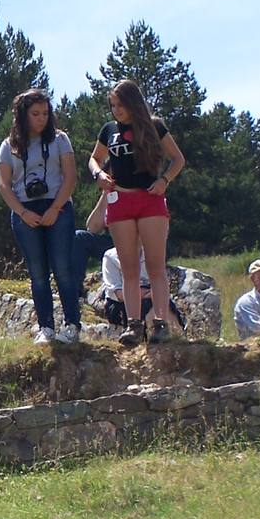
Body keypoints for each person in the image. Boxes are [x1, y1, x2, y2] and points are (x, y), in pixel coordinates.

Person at [89, 79, 186, 347]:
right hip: (120, 201)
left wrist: (165, 180)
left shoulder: (154, 127)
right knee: (129, 268)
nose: (116, 110)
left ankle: (161, 324)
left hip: (150, 199)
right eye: (112, 105)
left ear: (133, 103)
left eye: (120, 104)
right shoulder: (109, 130)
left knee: (155, 267)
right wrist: (98, 173)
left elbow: (178, 158)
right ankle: (133, 325)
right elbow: (94, 157)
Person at [0, 89, 83, 345]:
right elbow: (3, 184)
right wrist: (22, 213)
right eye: (35, 114)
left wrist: (55, 209)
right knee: (37, 273)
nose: (41, 118)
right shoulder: (8, 145)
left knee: (63, 269)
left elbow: (70, 177)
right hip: (24, 210)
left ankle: (73, 325)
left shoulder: (60, 139)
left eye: (45, 113)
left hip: (58, 208)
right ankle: (45, 327)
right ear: (23, 115)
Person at [99, 247, 185, 331]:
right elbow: (119, 294)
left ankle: (172, 331)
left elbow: (160, 285)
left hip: (149, 297)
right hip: (120, 303)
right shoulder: (111, 257)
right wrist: (149, 293)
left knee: (163, 303)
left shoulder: (152, 255)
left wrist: (152, 293)